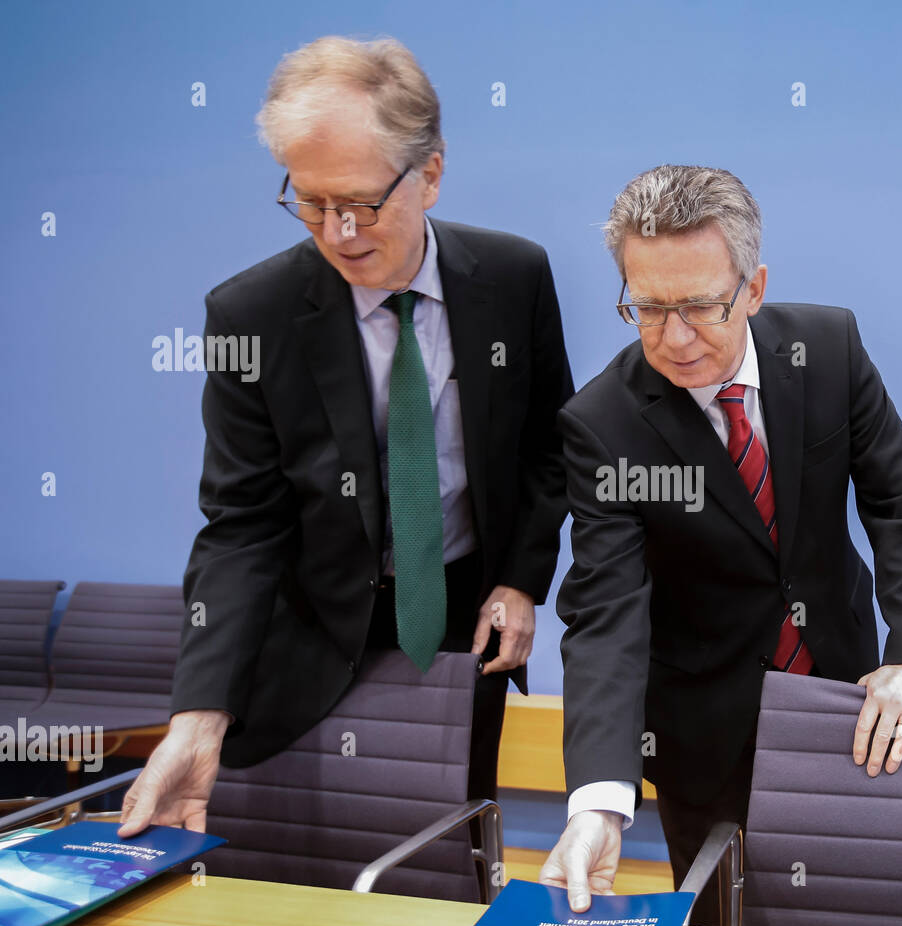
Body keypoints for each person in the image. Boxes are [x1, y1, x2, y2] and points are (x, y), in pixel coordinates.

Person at [118, 36, 573, 838]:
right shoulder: (248, 316)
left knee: (449, 848)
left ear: (429, 173)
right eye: (309, 199)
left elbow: (547, 449)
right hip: (306, 632)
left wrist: (522, 579)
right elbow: (241, 524)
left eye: (360, 202)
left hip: (463, 622)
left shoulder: (514, 278)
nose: (337, 231)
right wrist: (197, 712)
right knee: (297, 863)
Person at [539, 165, 902, 926]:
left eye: (700, 305)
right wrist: (600, 799)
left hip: (848, 699)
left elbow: (901, 499)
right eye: (650, 308)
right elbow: (606, 614)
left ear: (753, 288)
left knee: (860, 921)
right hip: (703, 734)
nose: (675, 337)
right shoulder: (605, 424)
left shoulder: (828, 349)